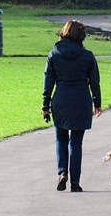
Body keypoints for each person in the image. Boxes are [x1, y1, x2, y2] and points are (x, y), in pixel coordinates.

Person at [42, 20, 102, 192]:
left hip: (60, 100)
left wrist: (45, 104)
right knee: (76, 142)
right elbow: (94, 82)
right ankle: (75, 182)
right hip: (81, 100)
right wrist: (97, 102)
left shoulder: (54, 54)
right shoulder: (88, 56)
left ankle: (62, 172)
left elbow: (48, 81)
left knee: (60, 138)